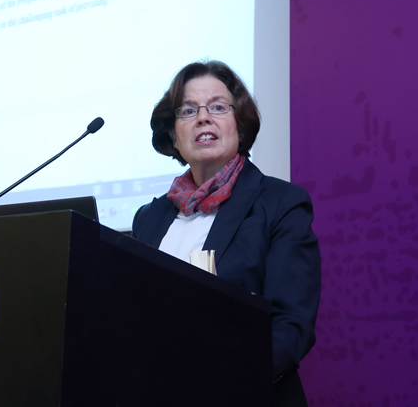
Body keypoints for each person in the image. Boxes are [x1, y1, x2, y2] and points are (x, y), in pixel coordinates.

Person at [132, 60, 321, 407]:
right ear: (173, 135)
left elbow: (290, 326)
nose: (203, 118)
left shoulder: (280, 203)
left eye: (218, 107)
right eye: (188, 110)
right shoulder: (149, 217)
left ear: (240, 125)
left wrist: (221, 385)